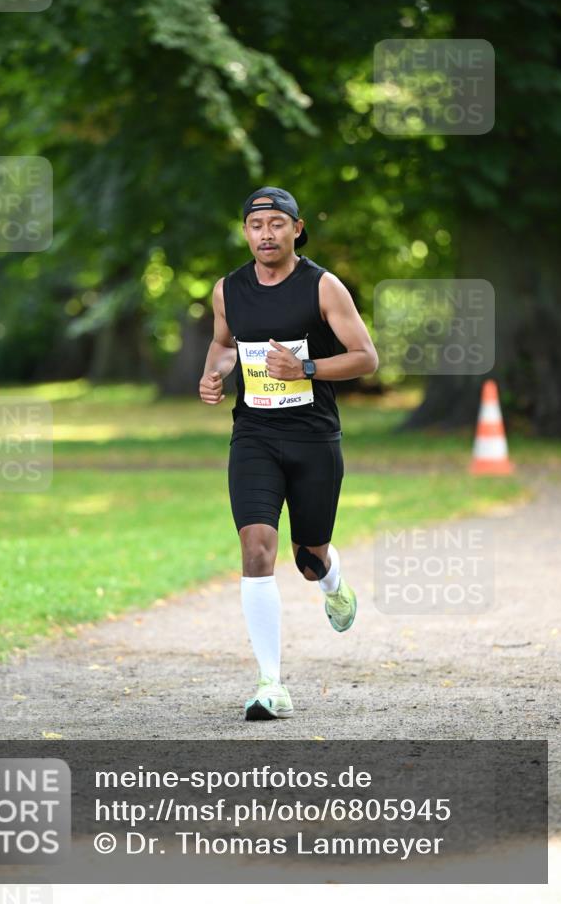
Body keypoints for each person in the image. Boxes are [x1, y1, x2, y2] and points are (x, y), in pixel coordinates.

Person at [199, 187, 378, 721]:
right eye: (257, 225)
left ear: (297, 229)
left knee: (308, 556)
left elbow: (366, 358)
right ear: (246, 232)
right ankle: (270, 684)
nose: (266, 234)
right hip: (253, 434)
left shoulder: (323, 286)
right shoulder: (228, 289)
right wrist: (213, 375)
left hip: (313, 437)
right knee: (257, 547)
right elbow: (225, 344)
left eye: (277, 224)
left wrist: (306, 369)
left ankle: (332, 580)